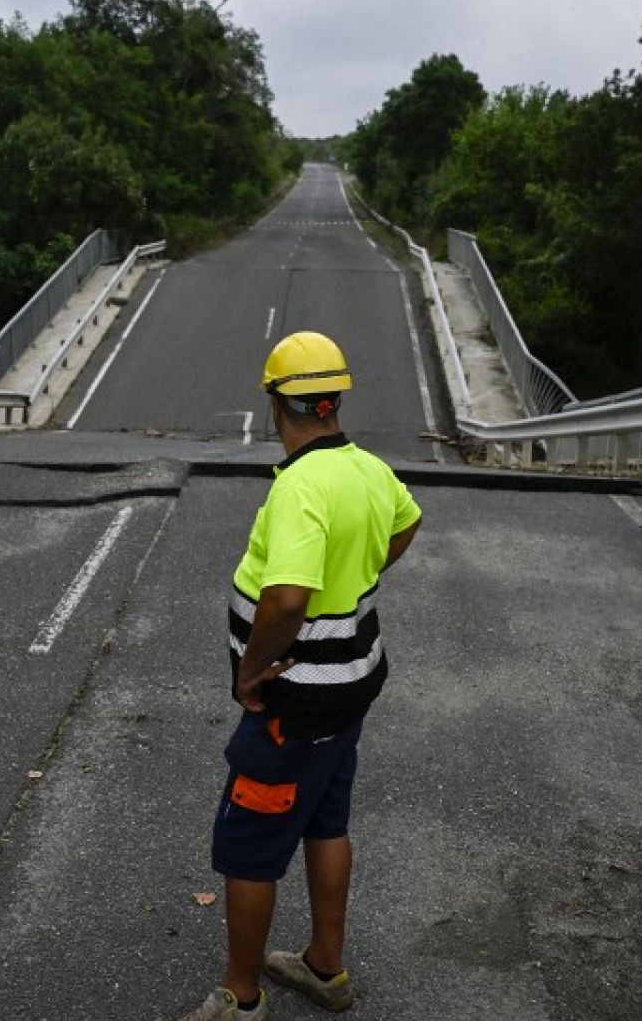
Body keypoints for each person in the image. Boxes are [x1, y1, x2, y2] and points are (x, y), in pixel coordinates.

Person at [179, 331, 423, 1020]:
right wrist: (364, 571)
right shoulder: (367, 469)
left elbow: (285, 598)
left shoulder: (300, 488)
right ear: (334, 400)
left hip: (296, 702)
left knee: (251, 848)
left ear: (277, 405)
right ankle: (325, 967)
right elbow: (407, 523)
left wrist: (251, 674)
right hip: (352, 688)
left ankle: (241, 996)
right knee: (324, 820)